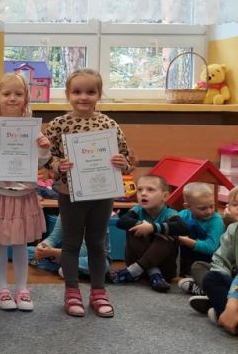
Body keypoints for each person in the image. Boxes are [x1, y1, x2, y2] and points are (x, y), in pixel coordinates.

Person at [46, 68, 132, 318]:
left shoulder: (109, 124)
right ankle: (72, 291)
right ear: (68, 94)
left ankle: (98, 292)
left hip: (102, 193)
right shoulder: (58, 124)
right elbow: (45, 156)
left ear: (99, 94)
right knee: (71, 243)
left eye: (90, 92)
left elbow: (126, 157)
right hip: (69, 192)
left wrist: (122, 163)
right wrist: (57, 165)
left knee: (97, 243)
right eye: (77, 92)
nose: (83, 97)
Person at [0, 73, 50, 312]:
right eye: (6, 94)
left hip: (23, 194)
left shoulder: (32, 128)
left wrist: (44, 149)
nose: (12, 98)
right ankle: (2, 288)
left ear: (26, 97)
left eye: (18, 94)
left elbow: (40, 162)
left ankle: (23, 288)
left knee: (20, 243)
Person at [110, 174, 184, 292]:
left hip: (164, 271)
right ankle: (151, 272)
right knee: (134, 229)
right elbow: (121, 222)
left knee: (170, 234)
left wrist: (152, 228)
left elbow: (183, 227)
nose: (143, 193)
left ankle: (140, 272)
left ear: (165, 196)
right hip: (137, 266)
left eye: (150, 190)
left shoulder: (170, 213)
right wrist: (141, 225)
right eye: (140, 190)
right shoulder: (137, 210)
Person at [189, 186, 238, 316]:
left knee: (213, 281)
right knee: (202, 269)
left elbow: (211, 247)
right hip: (233, 280)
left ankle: (219, 306)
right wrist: (221, 276)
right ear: (229, 207)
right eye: (235, 204)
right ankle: (218, 299)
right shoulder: (232, 229)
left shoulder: (216, 221)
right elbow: (221, 259)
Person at [175, 182, 225, 296]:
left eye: (212, 206)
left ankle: (207, 289)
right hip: (187, 258)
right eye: (203, 208)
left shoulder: (216, 221)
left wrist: (186, 241)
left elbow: (211, 248)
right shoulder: (183, 215)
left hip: (210, 261)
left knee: (200, 269)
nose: (209, 211)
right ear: (187, 207)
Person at [29, 215, 112, 279]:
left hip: (90, 257)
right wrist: (42, 246)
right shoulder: (65, 211)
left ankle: (66, 266)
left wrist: (52, 252)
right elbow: (53, 238)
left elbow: (84, 251)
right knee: (28, 251)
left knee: (102, 264)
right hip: (66, 254)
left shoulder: (97, 218)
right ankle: (71, 269)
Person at [197, 218, 238, 335]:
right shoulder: (233, 229)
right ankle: (227, 314)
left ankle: (220, 310)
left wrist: (232, 301)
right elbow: (220, 260)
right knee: (210, 278)